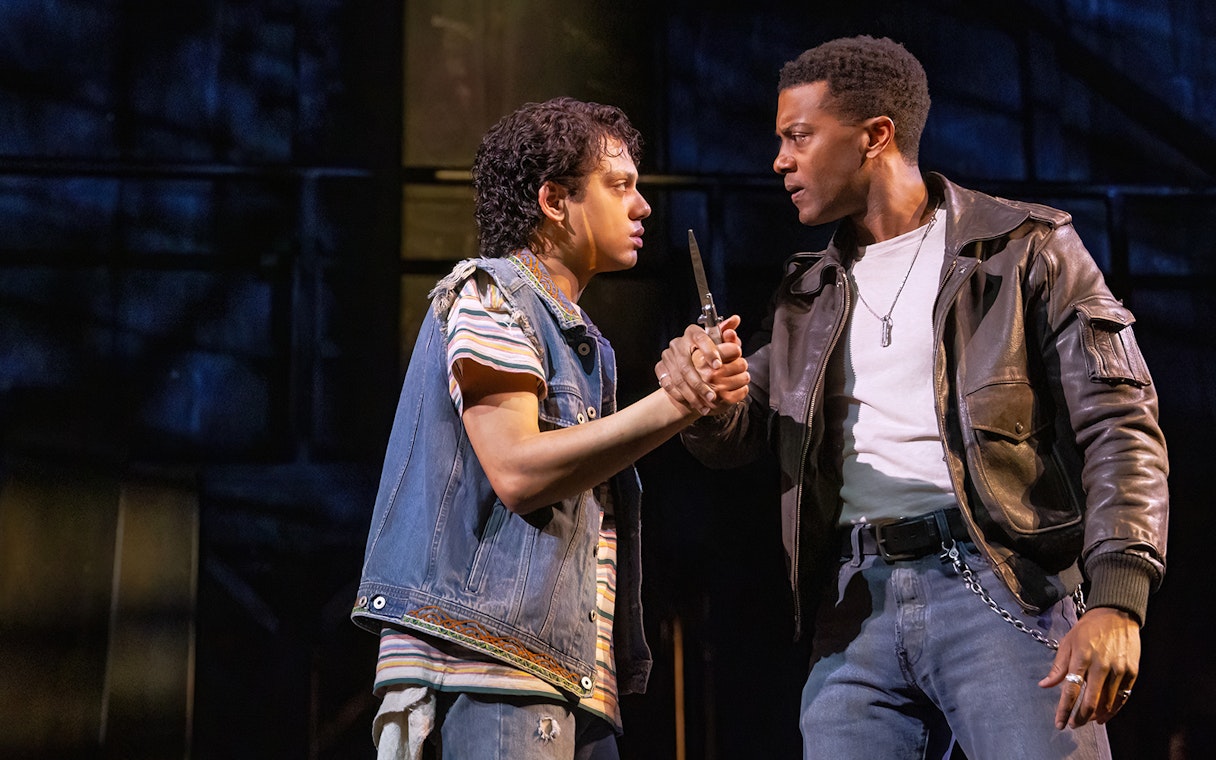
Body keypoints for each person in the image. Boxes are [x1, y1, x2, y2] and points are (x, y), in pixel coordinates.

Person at [656, 36, 1168, 759]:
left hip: (1001, 584)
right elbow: (739, 428)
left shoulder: (1025, 247)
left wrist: (1119, 597)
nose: (779, 161)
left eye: (798, 136)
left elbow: (1121, 423)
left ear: (875, 136)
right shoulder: (809, 293)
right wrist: (702, 390)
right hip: (854, 606)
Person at [351, 97, 749, 759]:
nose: (642, 207)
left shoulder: (577, 336)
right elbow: (517, 470)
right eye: (619, 186)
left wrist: (696, 397)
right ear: (554, 201)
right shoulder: (492, 294)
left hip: (562, 670)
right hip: (492, 663)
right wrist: (677, 402)